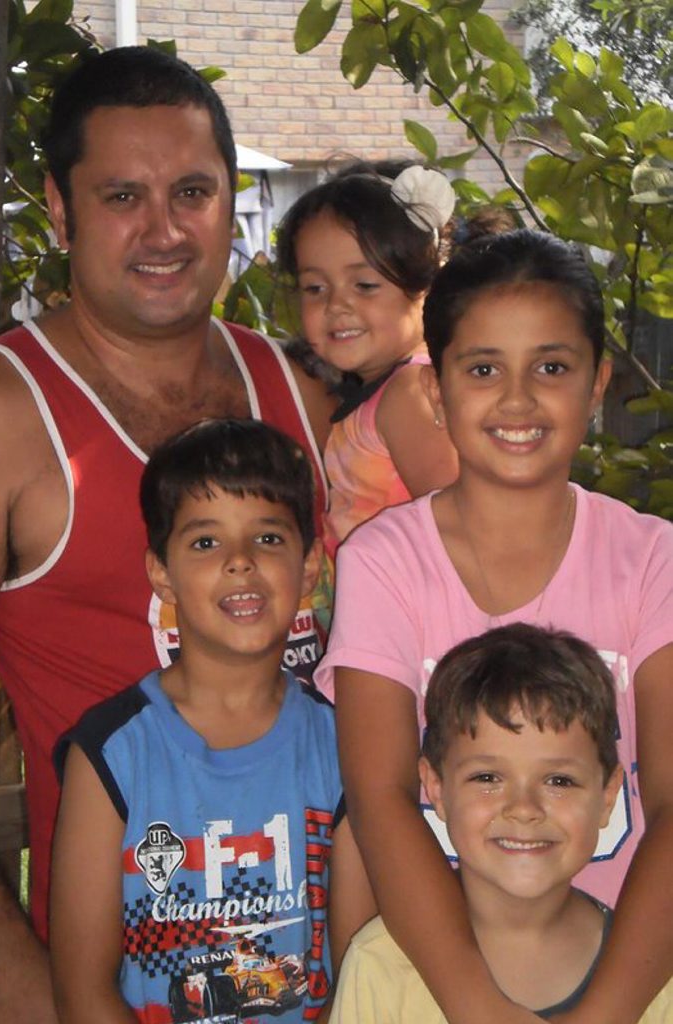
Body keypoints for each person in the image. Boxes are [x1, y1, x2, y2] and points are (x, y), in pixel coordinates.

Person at [0, 46, 333, 1024]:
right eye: (122, 194)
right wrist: (3, 959)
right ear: (59, 208)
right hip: (118, 986)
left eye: (193, 190)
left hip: (320, 970)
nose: (163, 229)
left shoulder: (292, 396)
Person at [314, 229, 673, 1024]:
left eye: (551, 367)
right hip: (440, 987)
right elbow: (381, 799)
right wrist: (478, 1008)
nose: (517, 399)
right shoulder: (386, 562)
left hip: (638, 981)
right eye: (482, 369)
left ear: (597, 383)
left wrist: (604, 1012)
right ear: (436, 392)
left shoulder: (653, 562)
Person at [49, 419, 374, 1023]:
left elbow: (359, 968)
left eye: (269, 539)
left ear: (309, 567)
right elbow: (83, 991)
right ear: (161, 573)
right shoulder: (110, 753)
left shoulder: (344, 748)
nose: (240, 563)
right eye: (205, 543)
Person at [330, 623, 673, 1022]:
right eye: (488, 778)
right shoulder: (378, 967)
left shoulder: (658, 980)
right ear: (436, 788)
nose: (524, 808)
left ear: (608, 796)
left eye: (559, 781)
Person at [276, 160, 459, 556]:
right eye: (314, 287)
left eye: (364, 285)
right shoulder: (380, 392)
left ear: (426, 283)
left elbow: (458, 525)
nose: (337, 305)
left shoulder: (408, 393)